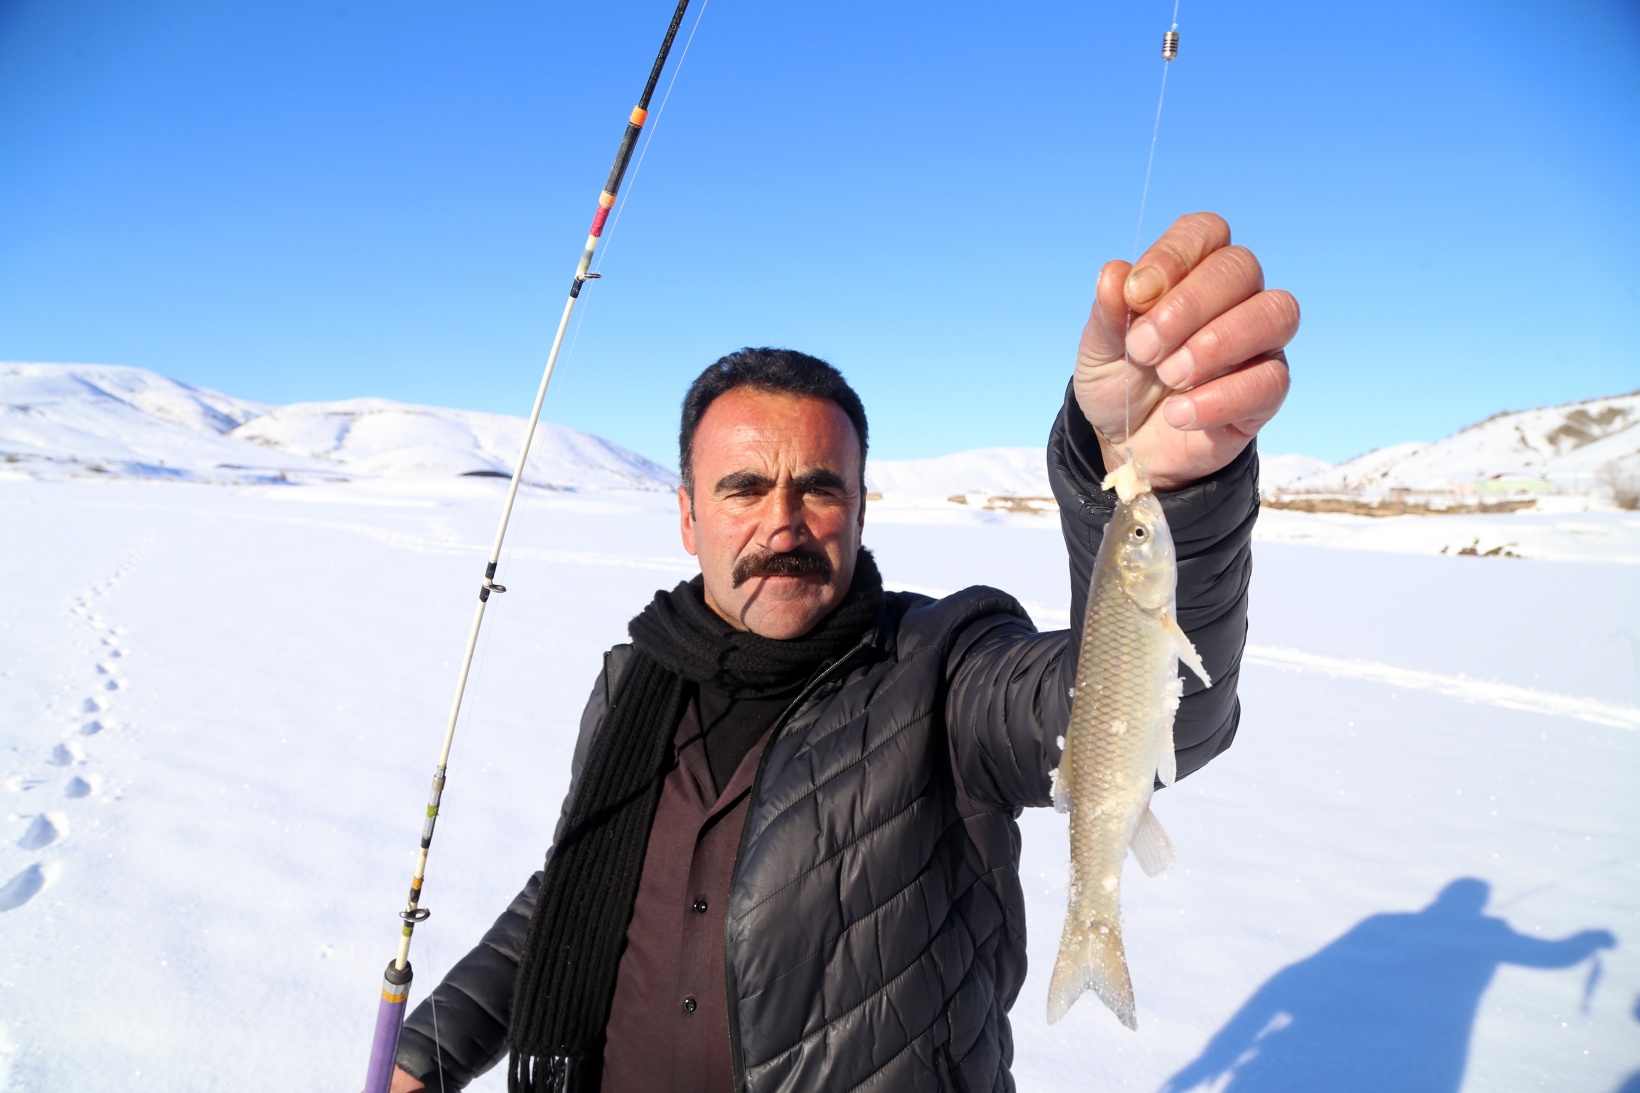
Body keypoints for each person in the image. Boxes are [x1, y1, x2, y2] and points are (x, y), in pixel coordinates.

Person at [389, 213, 1298, 1092]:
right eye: (744, 486)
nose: (782, 522)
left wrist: (1168, 491)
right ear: (687, 514)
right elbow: (580, 886)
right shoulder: (635, 681)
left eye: (819, 487)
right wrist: (430, 1048)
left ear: (861, 509)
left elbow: (1133, 706)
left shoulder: (944, 668)